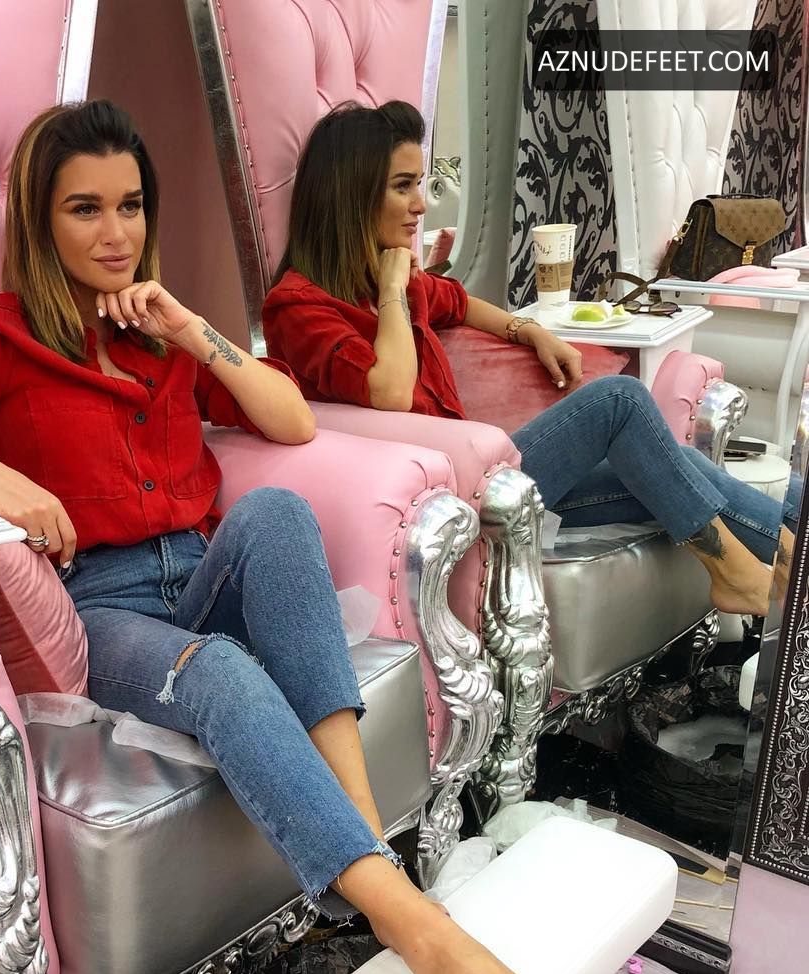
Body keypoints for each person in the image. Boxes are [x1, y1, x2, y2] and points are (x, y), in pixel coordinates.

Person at [0, 99, 593, 974]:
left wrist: (187, 327)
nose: (115, 233)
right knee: (223, 671)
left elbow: (290, 420)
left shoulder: (158, 335)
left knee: (278, 513)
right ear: (41, 224)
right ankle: (420, 933)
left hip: (200, 567)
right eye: (85, 209)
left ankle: (368, 860)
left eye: (131, 206)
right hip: (102, 612)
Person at [264, 100, 796, 617]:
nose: (421, 205)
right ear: (351, 196)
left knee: (677, 465)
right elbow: (390, 391)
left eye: (419, 184)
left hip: (484, 483)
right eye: (403, 186)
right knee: (619, 402)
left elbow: (462, 304)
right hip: (436, 515)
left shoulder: (395, 280)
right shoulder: (299, 306)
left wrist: (531, 330)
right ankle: (736, 572)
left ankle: (791, 565)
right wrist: (393, 291)